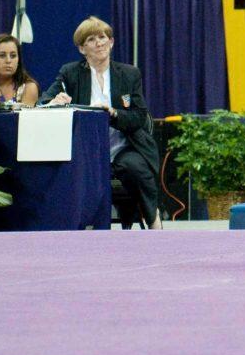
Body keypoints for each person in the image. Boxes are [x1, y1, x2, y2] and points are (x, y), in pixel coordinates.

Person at [42, 17, 162, 230]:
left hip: (123, 148)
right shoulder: (70, 73)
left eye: (102, 37)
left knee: (136, 168)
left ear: (111, 42)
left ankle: (153, 219)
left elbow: (139, 116)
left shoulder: (129, 74)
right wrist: (54, 102)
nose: (99, 43)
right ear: (82, 48)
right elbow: (44, 101)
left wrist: (114, 114)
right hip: (83, 151)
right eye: (91, 39)